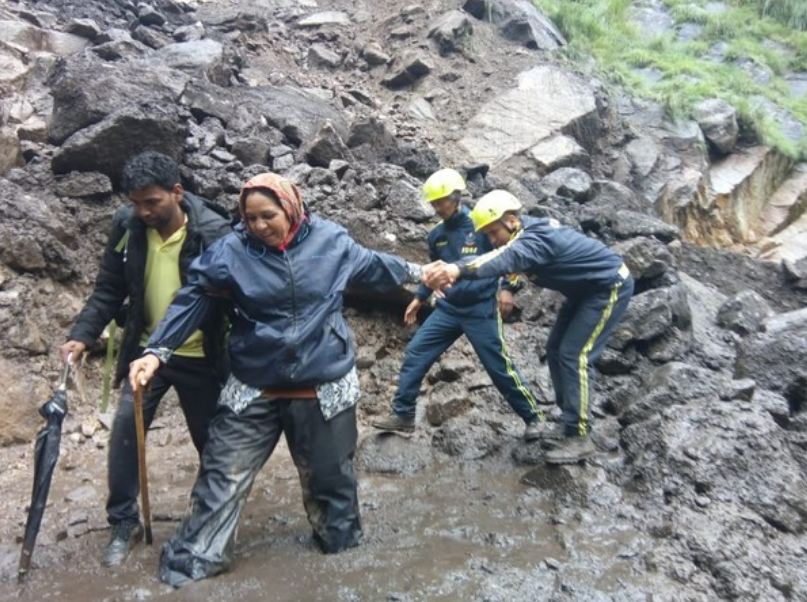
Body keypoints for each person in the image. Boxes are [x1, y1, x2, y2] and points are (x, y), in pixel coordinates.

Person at [128, 172, 423, 587]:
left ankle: (342, 556)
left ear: (292, 208)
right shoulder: (230, 251)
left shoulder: (331, 242)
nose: (259, 226)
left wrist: (425, 272)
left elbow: (378, 266)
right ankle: (194, 561)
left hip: (323, 382)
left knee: (331, 482)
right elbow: (193, 297)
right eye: (250, 218)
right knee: (221, 474)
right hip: (254, 380)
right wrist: (156, 351)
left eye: (268, 215)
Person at [60, 151, 232, 566]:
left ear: (177, 192)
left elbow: (232, 297)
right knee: (124, 431)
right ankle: (124, 522)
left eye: (151, 202)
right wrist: (82, 336)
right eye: (135, 203)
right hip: (146, 354)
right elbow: (108, 288)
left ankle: (210, 519)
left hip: (201, 354)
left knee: (210, 442)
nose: (143, 211)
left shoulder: (213, 231)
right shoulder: (128, 227)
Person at [421, 190, 634, 464]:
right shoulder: (521, 236)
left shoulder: (536, 237)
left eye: (493, 232)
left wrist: (457, 269)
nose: (491, 240)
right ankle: (568, 415)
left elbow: (506, 258)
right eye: (485, 235)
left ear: (511, 220)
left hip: (608, 287)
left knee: (575, 355)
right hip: (583, 292)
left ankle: (579, 436)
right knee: (555, 349)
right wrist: (504, 287)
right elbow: (507, 258)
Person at [372, 169, 545, 440]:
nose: (438, 207)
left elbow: (509, 255)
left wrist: (508, 289)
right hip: (449, 310)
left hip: (481, 309)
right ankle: (403, 414)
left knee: (498, 367)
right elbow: (433, 271)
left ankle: (533, 418)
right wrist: (418, 298)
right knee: (415, 353)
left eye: (442, 201)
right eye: (434, 203)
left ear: (456, 197)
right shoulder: (436, 236)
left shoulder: (480, 226)